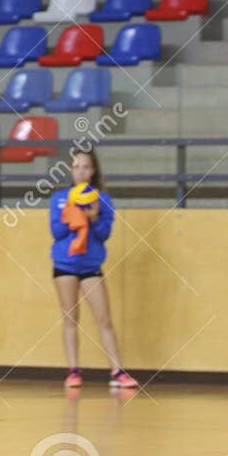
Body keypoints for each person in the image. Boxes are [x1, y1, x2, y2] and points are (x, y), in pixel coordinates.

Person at [50, 150, 138, 390]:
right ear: (70, 170)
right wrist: (72, 212)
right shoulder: (59, 198)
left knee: (104, 318)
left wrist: (93, 216)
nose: (81, 171)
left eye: (86, 167)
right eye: (77, 167)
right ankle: (73, 371)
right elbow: (57, 232)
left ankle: (117, 371)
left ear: (94, 170)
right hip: (64, 265)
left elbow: (103, 234)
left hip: (91, 266)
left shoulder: (104, 200)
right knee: (70, 319)